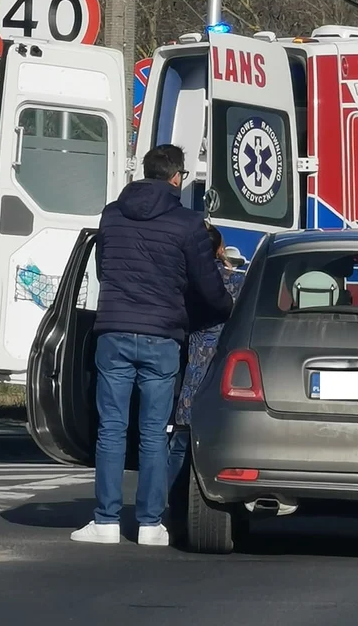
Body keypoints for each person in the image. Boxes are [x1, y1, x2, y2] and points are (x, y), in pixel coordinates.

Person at [71, 145, 234, 548]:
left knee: (111, 428)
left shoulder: (112, 214)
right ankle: (149, 524)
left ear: (144, 172)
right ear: (177, 177)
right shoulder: (188, 224)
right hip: (163, 336)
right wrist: (227, 306)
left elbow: (104, 267)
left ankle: (106, 521)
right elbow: (207, 286)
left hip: (114, 331)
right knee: (152, 432)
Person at [167, 224, 246, 491]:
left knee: (180, 443)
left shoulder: (184, 281)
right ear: (220, 249)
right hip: (225, 373)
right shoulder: (237, 282)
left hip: (191, 372)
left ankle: (171, 502)